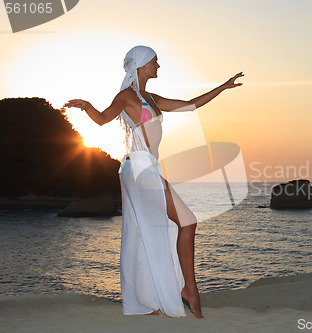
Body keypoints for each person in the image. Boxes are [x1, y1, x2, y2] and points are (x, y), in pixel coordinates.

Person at [64, 45, 243, 319]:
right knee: (187, 221)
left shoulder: (152, 98)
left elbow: (191, 105)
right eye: (155, 62)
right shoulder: (126, 96)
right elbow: (102, 119)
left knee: (147, 231)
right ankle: (189, 290)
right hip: (137, 167)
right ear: (142, 64)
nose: (158, 66)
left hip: (148, 167)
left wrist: (223, 86)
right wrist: (88, 106)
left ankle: (147, 300)